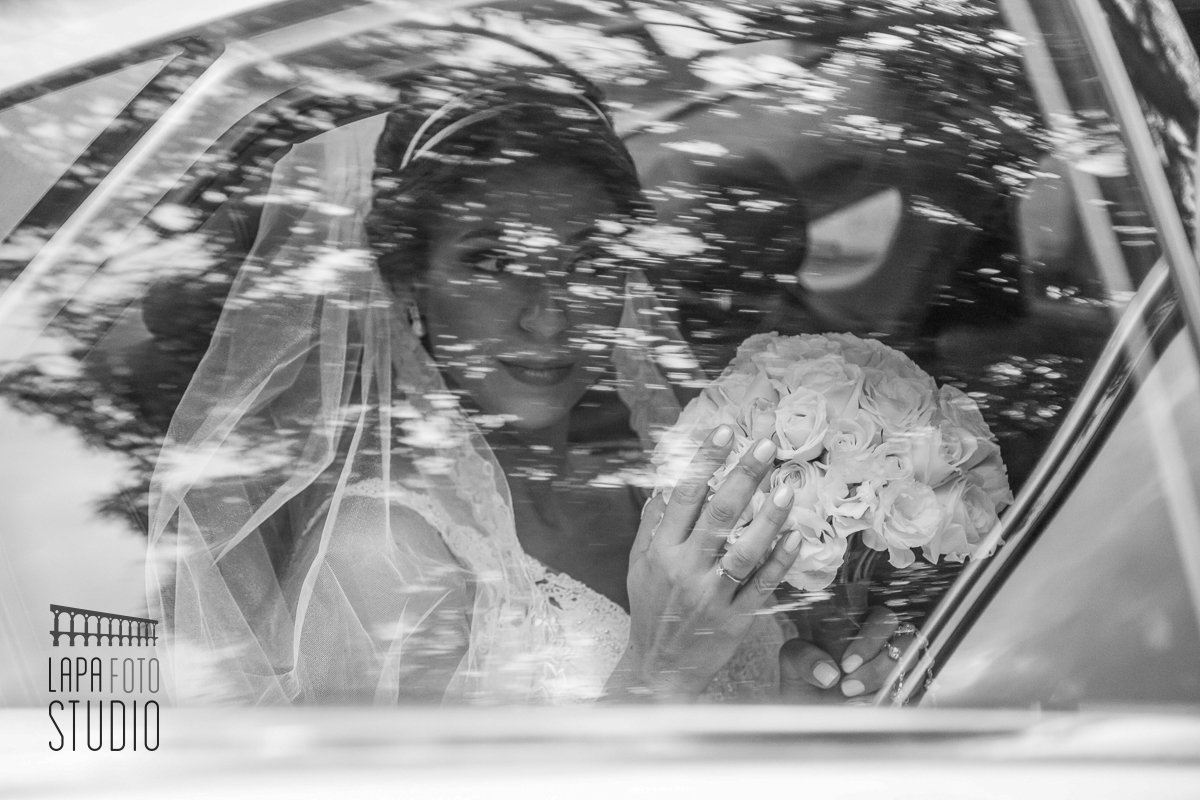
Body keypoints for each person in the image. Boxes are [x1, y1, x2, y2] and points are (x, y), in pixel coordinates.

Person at [146, 70, 805, 705]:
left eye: (588, 262)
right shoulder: (381, 553)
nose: (549, 315)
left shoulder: (653, 496)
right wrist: (658, 677)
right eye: (494, 260)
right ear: (409, 280)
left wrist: (797, 694)